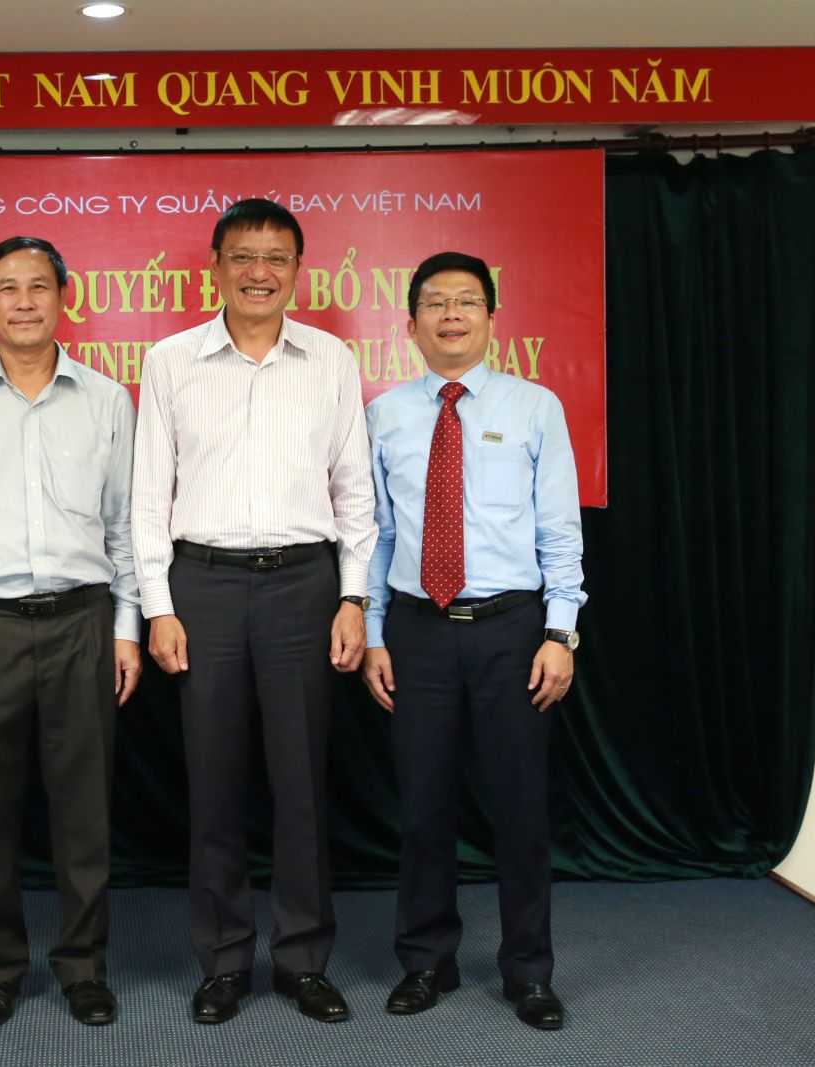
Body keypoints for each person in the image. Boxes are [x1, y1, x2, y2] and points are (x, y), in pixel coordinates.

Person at [132, 199, 377, 1025]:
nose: (259, 272)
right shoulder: (171, 361)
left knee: (301, 782)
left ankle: (303, 957)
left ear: (298, 271)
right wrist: (159, 607)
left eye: (276, 257)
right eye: (243, 255)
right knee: (214, 781)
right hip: (201, 586)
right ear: (216, 266)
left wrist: (353, 596)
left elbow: (354, 491)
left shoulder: (331, 359)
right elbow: (147, 497)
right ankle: (224, 959)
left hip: (303, 587)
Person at [0, 236, 142, 1029]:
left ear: (62, 297)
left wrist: (126, 626)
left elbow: (125, 523)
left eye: (38, 286)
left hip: (83, 620)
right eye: (7, 287)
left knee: (84, 807)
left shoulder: (107, 400)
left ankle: (83, 966)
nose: (23, 301)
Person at [361, 251, 585, 1032]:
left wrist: (561, 633)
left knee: (519, 809)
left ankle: (529, 971)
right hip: (417, 631)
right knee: (423, 806)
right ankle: (427, 960)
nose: (450, 315)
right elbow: (378, 535)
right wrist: (374, 633)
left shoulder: (535, 407)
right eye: (435, 302)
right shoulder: (385, 414)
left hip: (512, 631)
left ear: (491, 317)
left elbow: (560, 531)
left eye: (466, 301)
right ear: (411, 323)